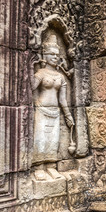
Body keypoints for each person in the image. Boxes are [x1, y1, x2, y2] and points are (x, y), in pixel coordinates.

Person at [32, 34, 74, 164]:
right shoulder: (40, 73)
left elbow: (62, 99)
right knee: (40, 139)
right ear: (45, 55)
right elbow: (31, 88)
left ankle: (51, 166)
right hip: (42, 109)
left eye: (57, 54)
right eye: (52, 54)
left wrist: (68, 115)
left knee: (53, 140)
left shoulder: (60, 76)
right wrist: (31, 65)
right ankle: (39, 167)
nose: (55, 57)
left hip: (55, 111)